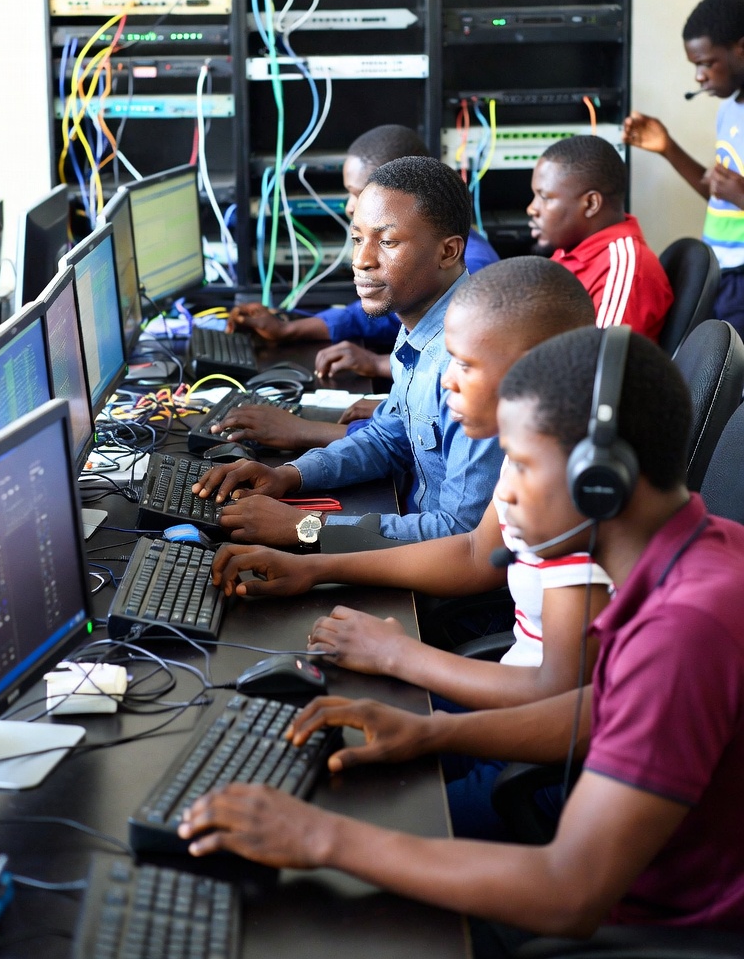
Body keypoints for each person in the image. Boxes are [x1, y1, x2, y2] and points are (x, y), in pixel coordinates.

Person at [178, 326, 744, 944]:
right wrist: (433, 731)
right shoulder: (701, 551)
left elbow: (569, 892)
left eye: (520, 464)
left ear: (599, 481)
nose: (505, 492)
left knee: (309, 904)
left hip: (643, 923)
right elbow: (606, 708)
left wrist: (322, 837)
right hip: (613, 859)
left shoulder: (684, 628)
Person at [208, 259, 607, 840]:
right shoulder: (535, 453)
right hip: (504, 702)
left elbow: (559, 694)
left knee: (348, 805)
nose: (446, 382)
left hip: (542, 770)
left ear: (534, 371)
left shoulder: (576, 496)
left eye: (464, 366)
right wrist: (314, 567)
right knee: (308, 747)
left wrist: (401, 657)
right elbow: (473, 551)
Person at [193, 158, 503, 546]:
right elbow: (389, 439)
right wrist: (289, 475)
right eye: (358, 239)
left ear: (448, 252)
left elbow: (463, 535)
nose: (361, 260)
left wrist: (306, 527)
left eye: (387, 242)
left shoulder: (471, 360)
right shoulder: (420, 326)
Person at [226, 124, 498, 382]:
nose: (349, 206)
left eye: (359, 193)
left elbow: (450, 366)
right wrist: (288, 329)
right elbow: (375, 319)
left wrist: (377, 364)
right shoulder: (413, 282)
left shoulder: (473, 271)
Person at [623, 0, 744, 337]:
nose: (699, 77)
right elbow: (720, 197)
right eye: (695, 66)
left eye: (706, 63)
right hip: (722, 269)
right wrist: (668, 148)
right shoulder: (729, 110)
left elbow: (736, 196)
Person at [527, 135, 673, 341]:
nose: (532, 208)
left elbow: (599, 356)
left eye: (545, 197)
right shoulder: (569, 249)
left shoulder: (624, 270)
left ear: (591, 204)